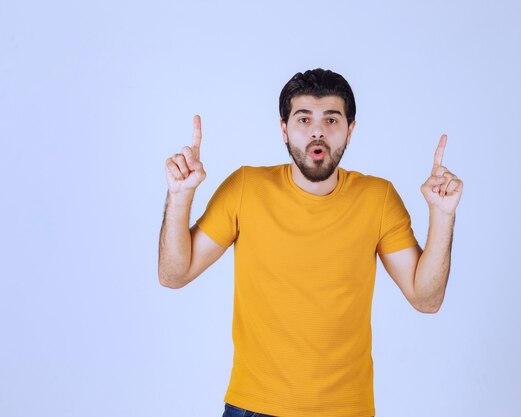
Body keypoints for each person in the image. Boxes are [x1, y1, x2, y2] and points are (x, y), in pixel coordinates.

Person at [158, 68, 463, 417]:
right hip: (255, 407)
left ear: (350, 131)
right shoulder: (245, 189)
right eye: (304, 119)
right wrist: (180, 196)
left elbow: (426, 299)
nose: (318, 130)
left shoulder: (377, 198)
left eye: (331, 119)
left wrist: (442, 216)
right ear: (284, 129)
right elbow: (173, 274)